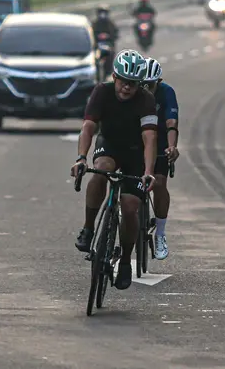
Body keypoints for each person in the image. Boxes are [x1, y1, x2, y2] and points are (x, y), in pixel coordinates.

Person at [70, 49, 158, 290]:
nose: (126, 88)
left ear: (139, 85)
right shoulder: (102, 92)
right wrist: (81, 158)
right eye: (122, 81)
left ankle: (126, 261)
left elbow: (149, 137)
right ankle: (88, 228)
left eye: (132, 84)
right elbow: (88, 127)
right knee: (100, 169)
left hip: (134, 151)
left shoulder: (146, 100)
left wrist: (149, 171)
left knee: (130, 206)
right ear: (114, 77)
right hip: (108, 145)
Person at [140, 57, 179, 260]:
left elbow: (172, 122)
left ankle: (160, 232)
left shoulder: (166, 93)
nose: (146, 89)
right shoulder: (131, 92)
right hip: (136, 138)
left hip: (160, 138)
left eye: (151, 85)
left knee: (160, 182)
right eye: (142, 84)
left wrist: (172, 146)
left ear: (159, 82)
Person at [91, 4, 119, 77]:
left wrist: (110, 37)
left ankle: (109, 70)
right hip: (97, 45)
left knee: (111, 55)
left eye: (104, 13)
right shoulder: (94, 24)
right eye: (101, 13)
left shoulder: (111, 23)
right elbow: (91, 34)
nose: (102, 15)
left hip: (108, 44)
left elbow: (115, 33)